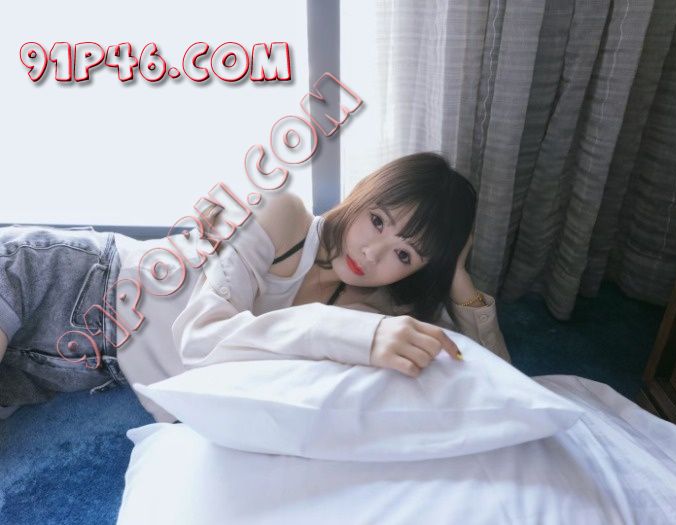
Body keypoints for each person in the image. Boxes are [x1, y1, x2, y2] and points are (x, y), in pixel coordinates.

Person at [0, 152, 510, 422]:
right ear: (362, 194)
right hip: (74, 280)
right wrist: (337, 331)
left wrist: (457, 276)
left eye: (405, 255)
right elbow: (199, 339)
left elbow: (494, 386)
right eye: (377, 220)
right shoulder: (284, 214)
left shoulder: (380, 310)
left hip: (80, 368)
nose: (373, 254)